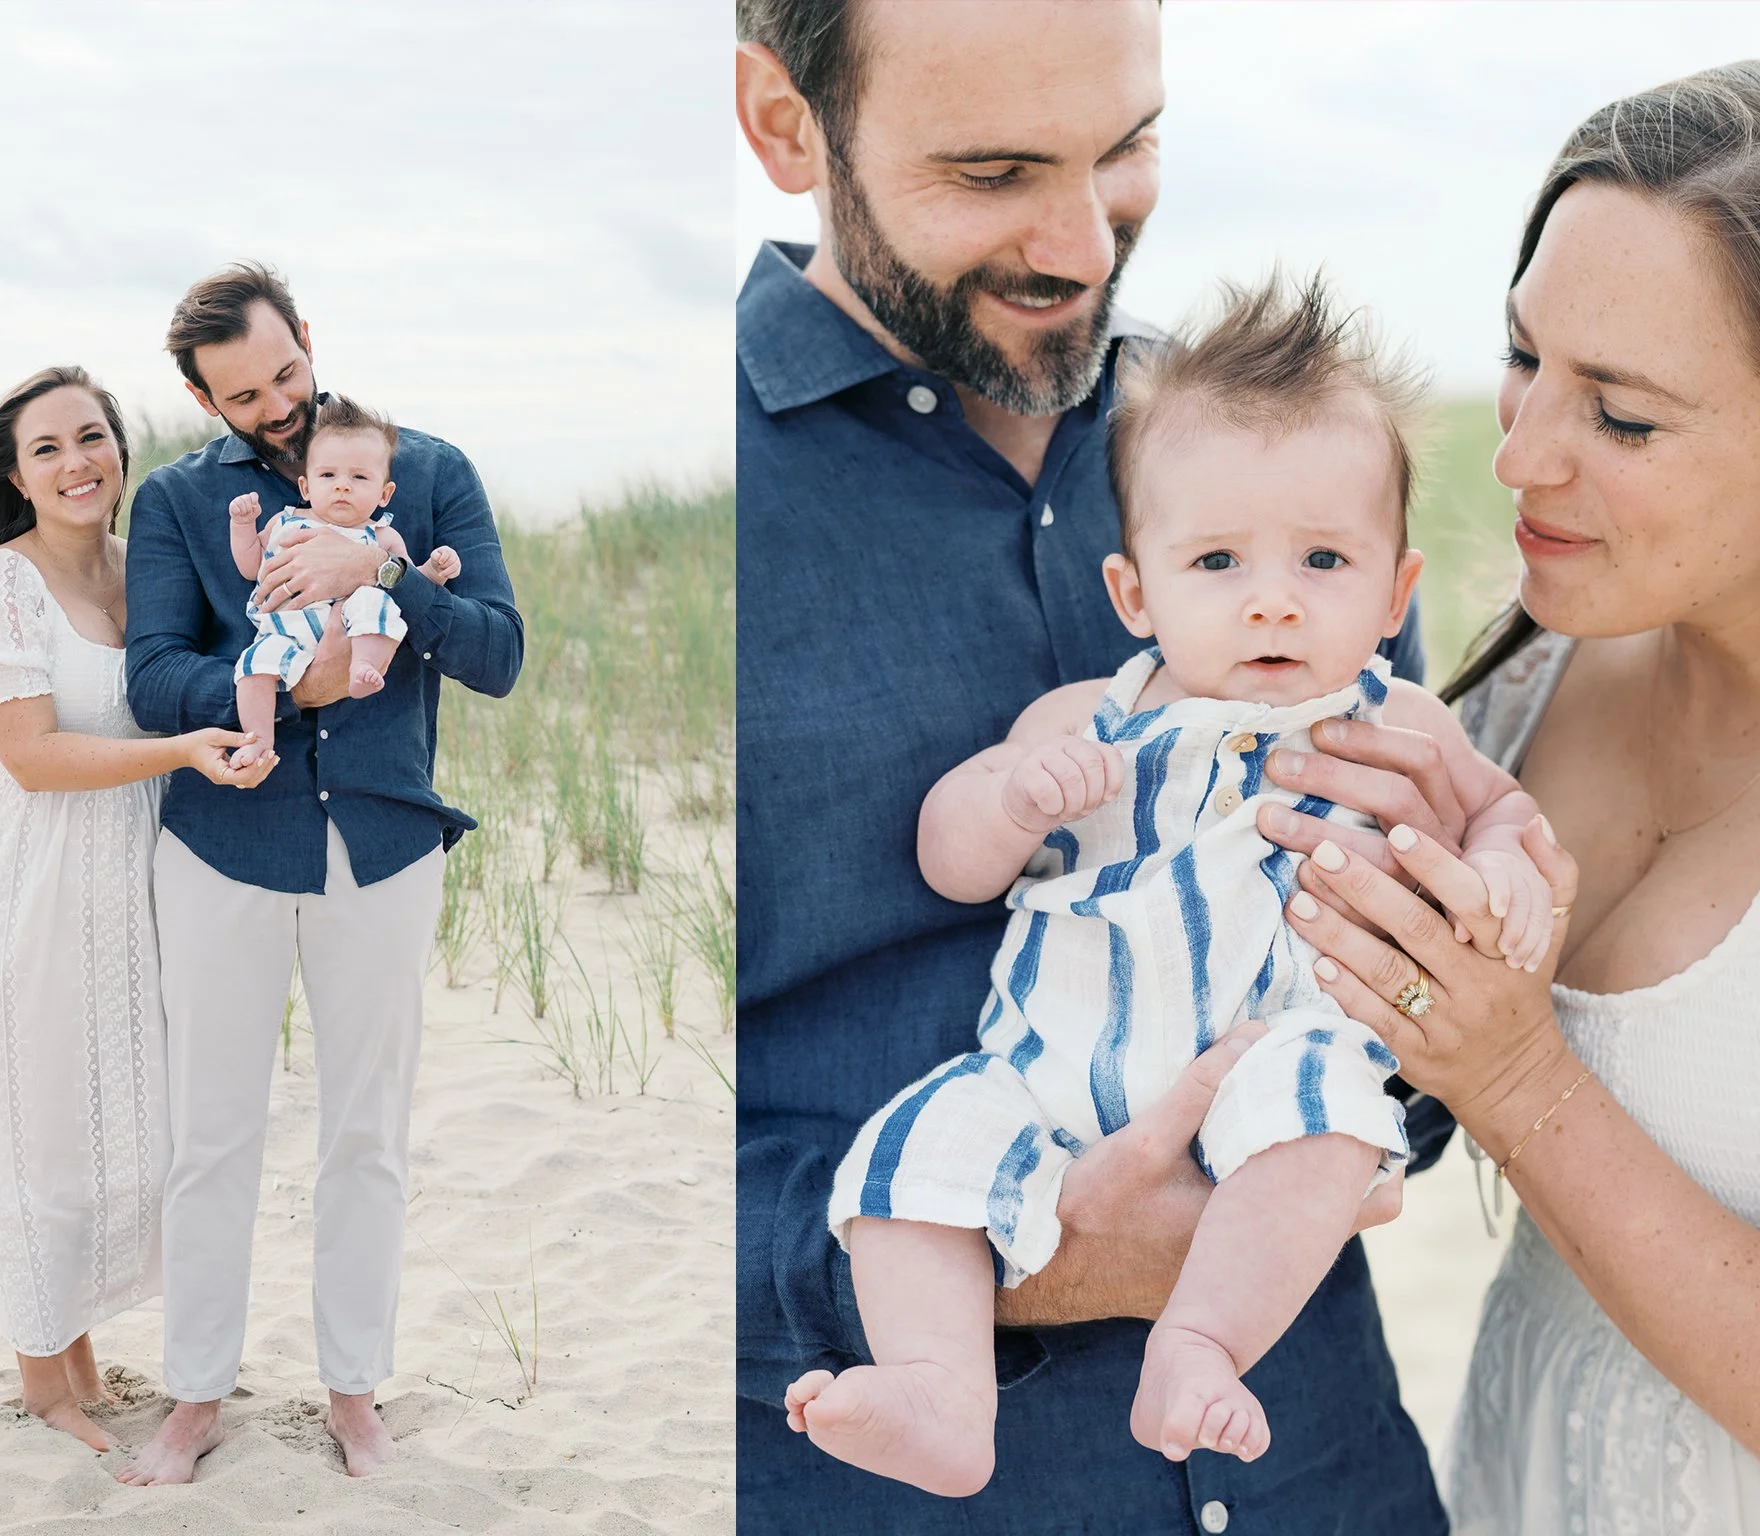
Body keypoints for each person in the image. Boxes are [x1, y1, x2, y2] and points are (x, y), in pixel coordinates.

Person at [735, 3, 1452, 1528]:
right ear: (788, 126)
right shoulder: (723, 502)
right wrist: (1026, 1264)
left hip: (1324, 1474)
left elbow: (1425, 982)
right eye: (994, 171)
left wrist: (1417, 1054)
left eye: (1127, 147)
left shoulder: (1276, 457)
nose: (1082, 242)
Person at [784, 277, 1552, 1497]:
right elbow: (948, 853)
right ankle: (940, 1396)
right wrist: (1013, 800)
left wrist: (1507, 859)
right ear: (1133, 593)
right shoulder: (1076, 721)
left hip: (1264, 1051)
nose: (1270, 595)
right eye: (1215, 559)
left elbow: (1497, 806)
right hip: (1041, 1071)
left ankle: (1200, 1342)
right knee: (909, 1156)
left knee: (1326, 1120)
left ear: (1393, 594)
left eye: (1321, 558)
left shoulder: (1388, 717)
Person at [1266, 63, 1760, 1534]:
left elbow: (1505, 1071)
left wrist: (1514, 1074)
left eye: (1620, 416)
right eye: (1522, 355)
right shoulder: (1531, 680)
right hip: (1522, 1466)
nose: (1519, 453)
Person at [115, 263, 522, 1484]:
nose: (277, 406)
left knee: (366, 1136)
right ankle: (194, 1399)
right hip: (221, 852)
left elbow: (498, 653)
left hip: (385, 849)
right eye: (244, 395)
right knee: (213, 1136)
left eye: (286, 373)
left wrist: (383, 577)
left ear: (309, 340)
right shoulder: (180, 500)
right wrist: (282, 686)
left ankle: (356, 1396)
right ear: (201, 398)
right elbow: (152, 675)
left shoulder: (429, 472)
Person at [0, 366, 269, 1452]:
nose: (76, 462)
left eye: (90, 437)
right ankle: (42, 1385)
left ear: (121, 448)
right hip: (28, 873)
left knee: (114, 1125)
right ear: (15, 473)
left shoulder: (140, 568)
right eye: (46, 448)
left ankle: (80, 1357)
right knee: (32, 1123)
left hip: (126, 875)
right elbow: (32, 755)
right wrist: (180, 748)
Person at [227, 395, 461, 768]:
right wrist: (242, 526)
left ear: (384, 494)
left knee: (376, 603)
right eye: (328, 475)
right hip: (284, 631)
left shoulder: (381, 536)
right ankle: (257, 741)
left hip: (351, 624)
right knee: (253, 668)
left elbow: (407, 580)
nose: (342, 487)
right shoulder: (284, 521)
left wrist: (435, 569)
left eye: (359, 477)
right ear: (305, 487)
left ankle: (362, 667)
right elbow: (250, 565)